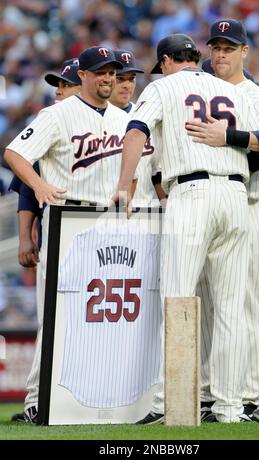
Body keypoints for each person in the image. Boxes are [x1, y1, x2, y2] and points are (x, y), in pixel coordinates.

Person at [112, 32, 259, 424]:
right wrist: (236, 153)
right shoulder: (234, 90)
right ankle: (228, 408)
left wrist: (124, 182)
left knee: (178, 298)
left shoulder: (163, 86)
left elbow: (136, 130)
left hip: (190, 193)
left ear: (166, 62)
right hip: (236, 196)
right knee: (230, 309)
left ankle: (168, 405)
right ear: (198, 57)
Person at [4, 45, 131, 422]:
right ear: (84, 76)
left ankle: (91, 397)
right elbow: (15, 153)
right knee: (56, 314)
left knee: (103, 316)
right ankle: (35, 401)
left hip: (108, 222)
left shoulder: (124, 120)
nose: (108, 77)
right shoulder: (58, 114)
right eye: (100, 71)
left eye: (112, 72)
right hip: (67, 218)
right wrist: (40, 187)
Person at [185, 19, 259, 420]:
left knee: (255, 311)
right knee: (213, 308)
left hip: (251, 208)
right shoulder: (199, 91)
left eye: (228, 48)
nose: (220, 54)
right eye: (215, 47)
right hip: (208, 206)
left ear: (244, 51)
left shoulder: (252, 94)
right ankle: (217, 394)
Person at [9, 58, 82, 423]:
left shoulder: (108, 122)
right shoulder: (51, 123)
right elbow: (25, 186)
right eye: (58, 85)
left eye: (66, 84)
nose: (60, 91)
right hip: (59, 226)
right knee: (53, 319)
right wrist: (25, 236)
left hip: (99, 228)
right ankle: (39, 399)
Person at [111, 49, 166, 207]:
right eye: (120, 79)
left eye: (131, 79)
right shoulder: (94, 117)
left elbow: (157, 171)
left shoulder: (148, 116)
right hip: (104, 207)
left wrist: (165, 202)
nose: (127, 85)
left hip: (146, 210)